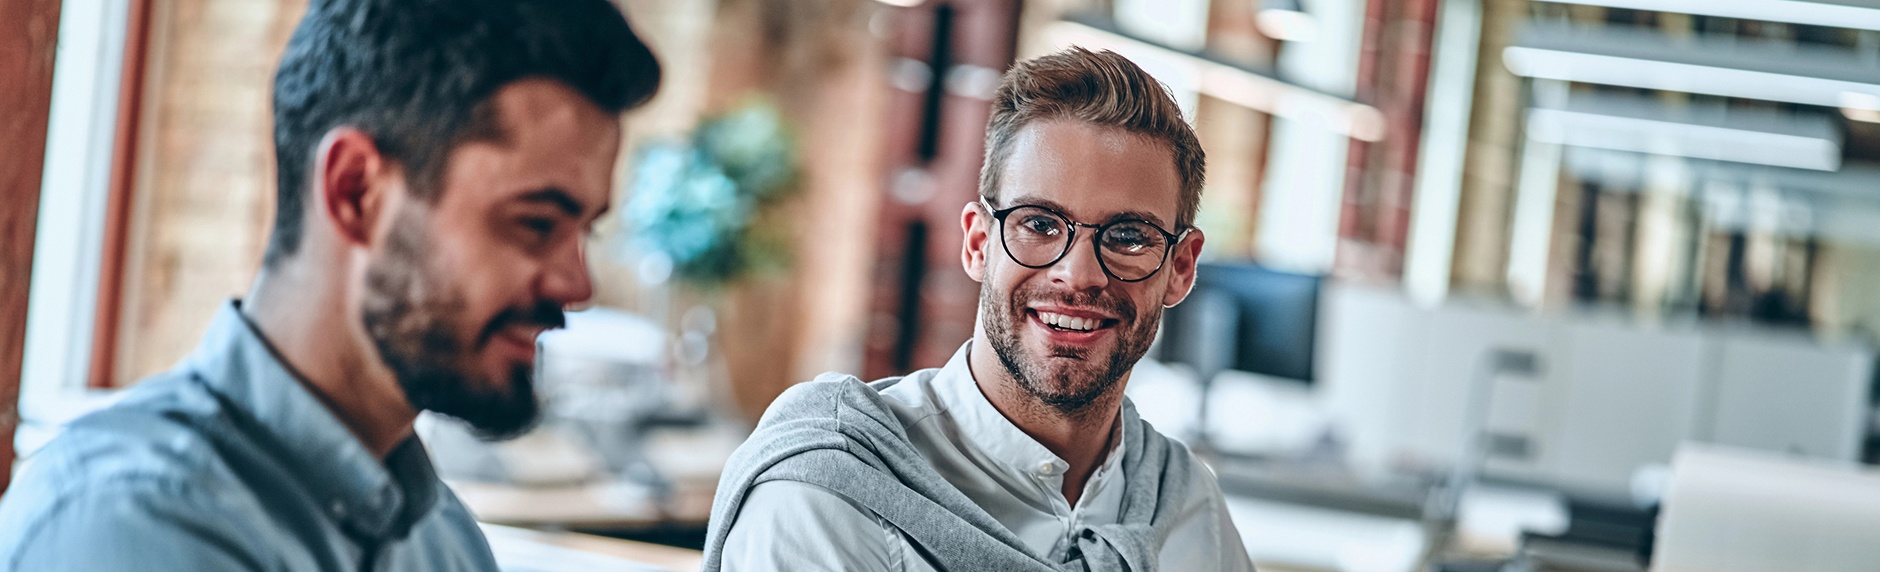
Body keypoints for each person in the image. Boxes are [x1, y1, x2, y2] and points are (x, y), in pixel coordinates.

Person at [0, 0, 659, 569]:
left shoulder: (445, 542)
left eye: (585, 231)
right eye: (536, 224)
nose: (577, 284)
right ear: (355, 191)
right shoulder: (129, 526)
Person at [705, 47, 1255, 571]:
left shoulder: (1189, 507)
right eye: (1039, 224)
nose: (1079, 275)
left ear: (1181, 267)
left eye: (1129, 236)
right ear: (977, 243)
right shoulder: (825, 493)